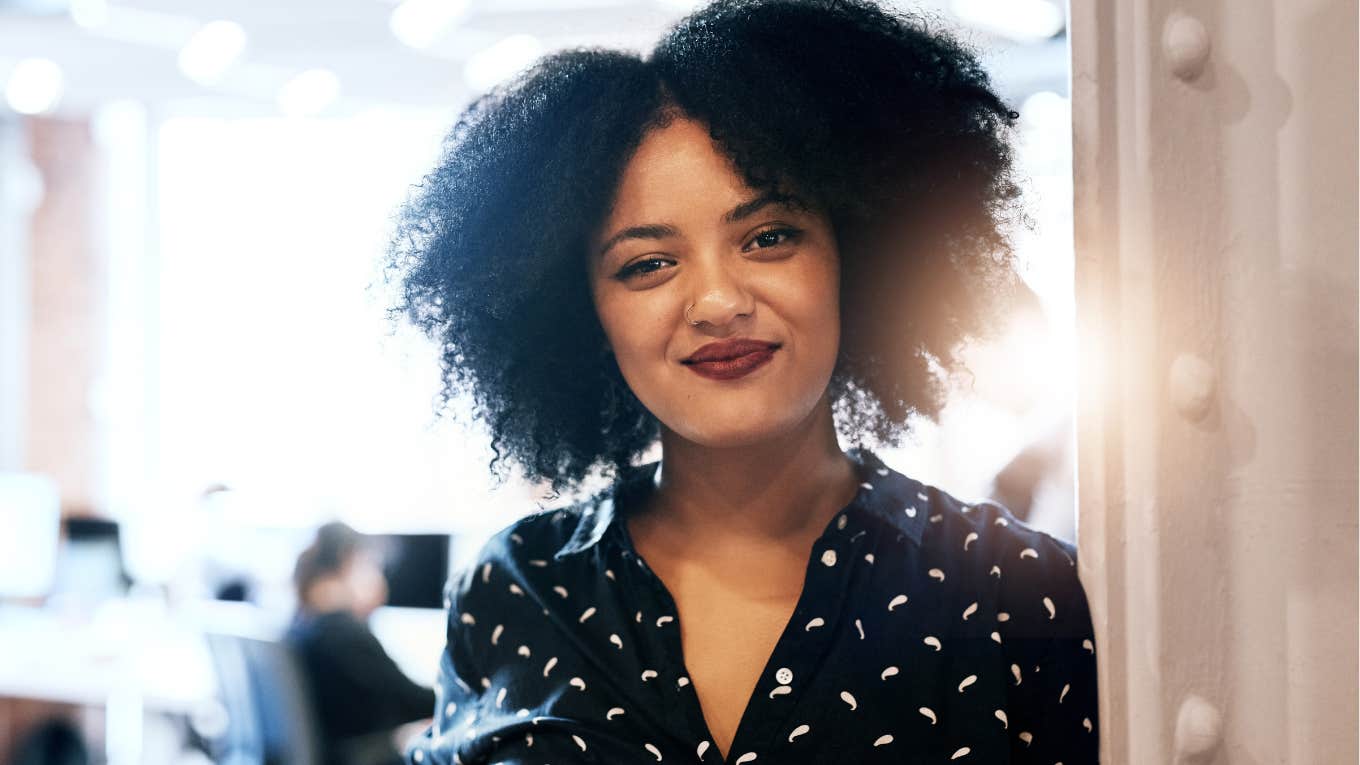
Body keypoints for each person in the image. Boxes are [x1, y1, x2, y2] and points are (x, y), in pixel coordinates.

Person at [388, 1, 1099, 762]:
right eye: (648, 264)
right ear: (580, 310)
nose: (719, 301)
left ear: (857, 254)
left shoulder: (1014, 590)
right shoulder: (513, 592)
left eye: (769, 237)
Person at [285, 522, 436, 765]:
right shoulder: (342, 631)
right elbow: (411, 700)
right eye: (372, 565)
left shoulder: (303, 623)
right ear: (349, 561)